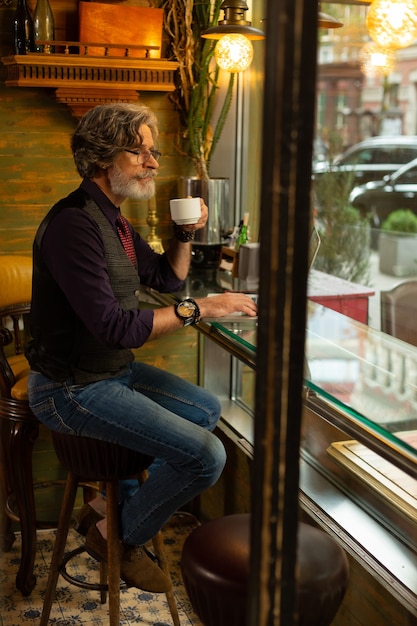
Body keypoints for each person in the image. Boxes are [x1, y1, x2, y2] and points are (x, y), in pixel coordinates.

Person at [26, 103, 257, 593]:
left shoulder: (114, 221)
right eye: (141, 151)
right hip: (70, 387)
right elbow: (117, 328)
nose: (154, 162)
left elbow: (167, 280)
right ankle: (120, 537)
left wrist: (185, 232)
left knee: (205, 407)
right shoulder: (74, 225)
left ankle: (111, 506)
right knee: (207, 458)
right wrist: (204, 309)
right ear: (103, 158)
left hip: (110, 373)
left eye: (152, 152)